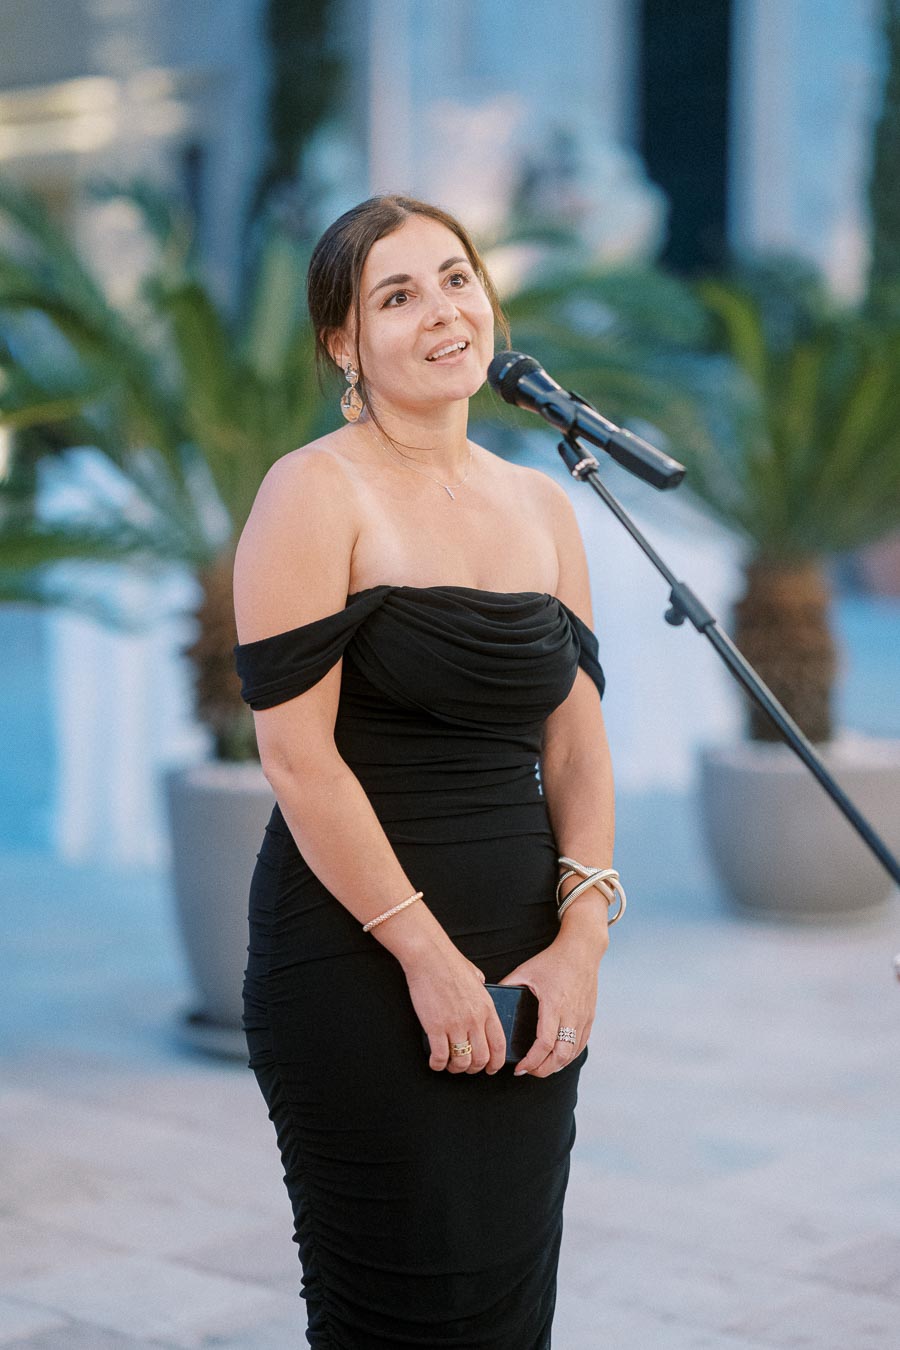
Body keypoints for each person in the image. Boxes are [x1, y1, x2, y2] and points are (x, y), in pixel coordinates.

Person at [232, 194, 620, 1350]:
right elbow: (299, 762)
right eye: (396, 295)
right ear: (344, 345)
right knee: (395, 1309)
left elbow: (579, 745)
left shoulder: (545, 504)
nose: (444, 311)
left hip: (529, 958)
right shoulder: (314, 493)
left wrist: (583, 942)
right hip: (358, 958)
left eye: (456, 277)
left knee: (508, 1306)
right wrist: (428, 958)